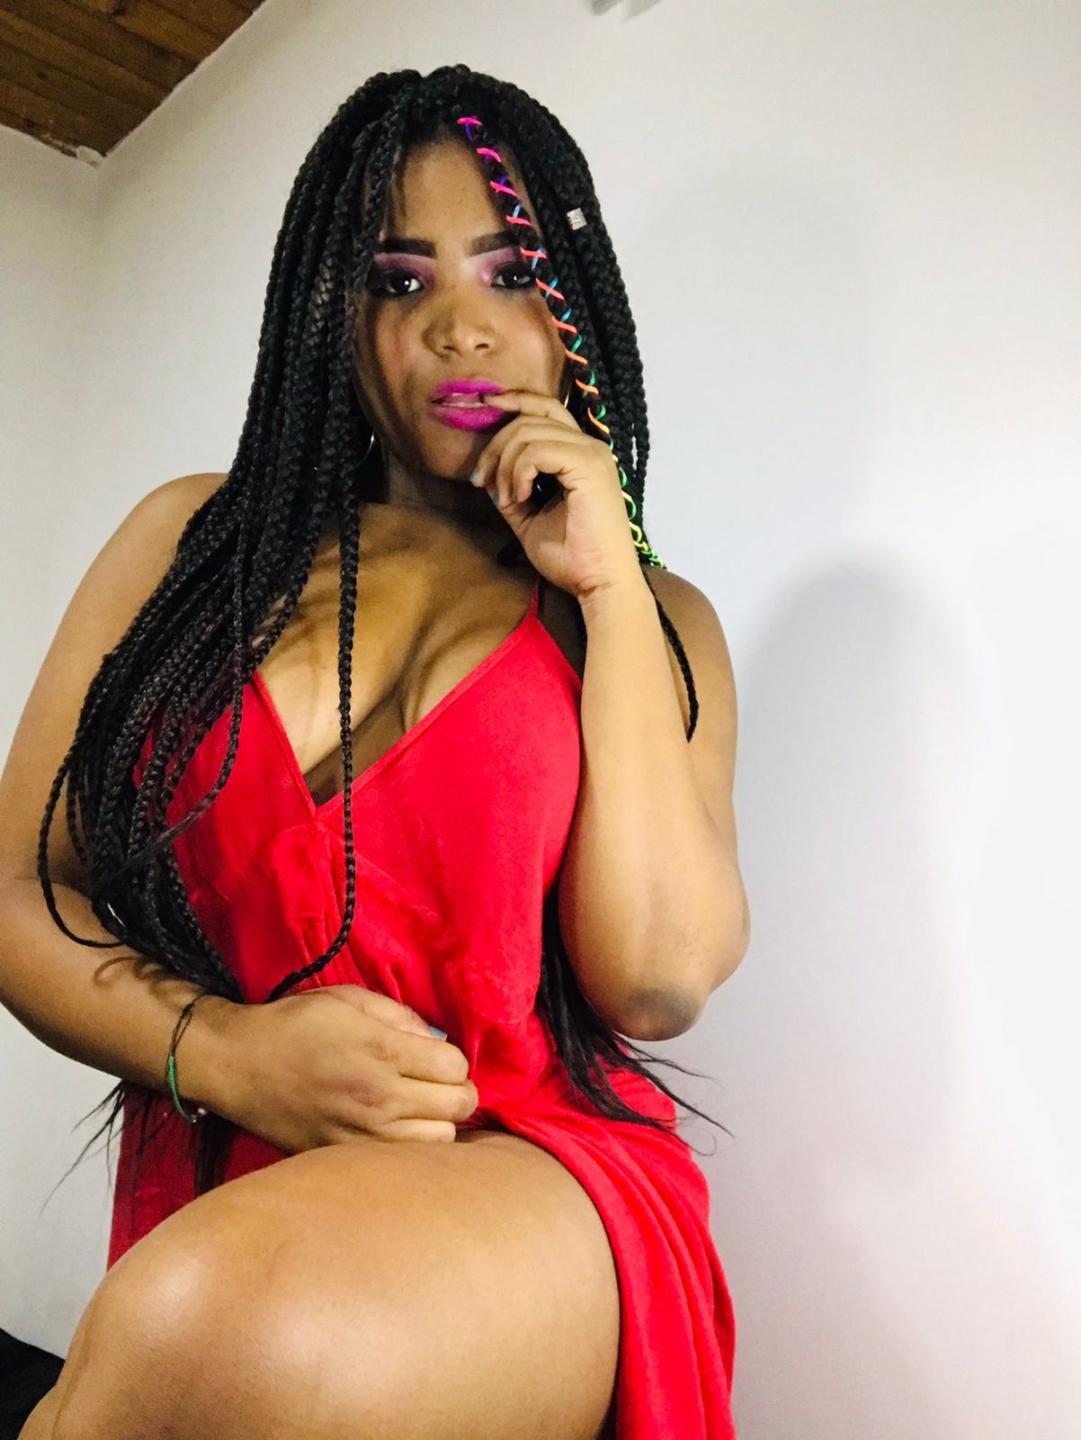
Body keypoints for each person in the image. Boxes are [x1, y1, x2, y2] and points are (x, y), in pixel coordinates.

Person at [2, 64, 750, 1440]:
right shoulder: (191, 546)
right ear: (333, 321)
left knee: (211, 1332)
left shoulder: (653, 619)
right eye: (399, 282)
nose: (460, 328)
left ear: (575, 308)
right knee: (170, 1350)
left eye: (511, 271)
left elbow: (655, 977)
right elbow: (18, 893)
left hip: (521, 1169)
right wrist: (229, 1055)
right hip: (229, 1147)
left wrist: (606, 586)